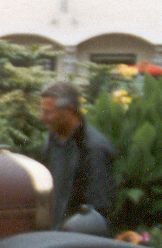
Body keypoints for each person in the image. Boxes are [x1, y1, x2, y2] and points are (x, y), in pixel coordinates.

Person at [39, 80, 115, 227]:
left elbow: (98, 209)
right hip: (51, 237)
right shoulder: (52, 142)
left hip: (75, 241)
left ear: (68, 110)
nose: (42, 117)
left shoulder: (94, 149)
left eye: (48, 112)